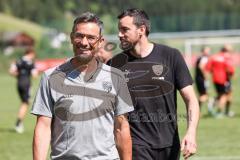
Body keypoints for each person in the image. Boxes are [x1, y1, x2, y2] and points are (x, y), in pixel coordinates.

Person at [31, 12, 134, 160]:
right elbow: (43, 127)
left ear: (100, 42)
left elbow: (121, 128)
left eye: (91, 37)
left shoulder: (116, 77)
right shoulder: (50, 77)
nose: (84, 42)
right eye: (79, 36)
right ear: (72, 38)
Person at [108, 8, 199, 160]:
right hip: (136, 145)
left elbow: (191, 99)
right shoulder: (115, 64)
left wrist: (191, 132)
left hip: (170, 145)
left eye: (125, 30)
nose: (119, 34)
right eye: (119, 30)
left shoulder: (171, 56)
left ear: (141, 30)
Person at [9, 48, 38, 133]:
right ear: (31, 53)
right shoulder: (31, 63)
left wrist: (20, 74)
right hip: (26, 84)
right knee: (25, 103)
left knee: (23, 102)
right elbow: (34, 75)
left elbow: (11, 71)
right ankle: (18, 123)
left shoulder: (17, 61)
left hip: (19, 83)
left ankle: (19, 123)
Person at [206, 44, 235, 117]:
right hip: (224, 79)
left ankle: (224, 110)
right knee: (224, 96)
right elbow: (230, 69)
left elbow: (208, 68)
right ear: (226, 50)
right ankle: (219, 112)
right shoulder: (226, 57)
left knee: (222, 95)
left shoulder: (214, 57)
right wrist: (231, 75)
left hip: (215, 79)